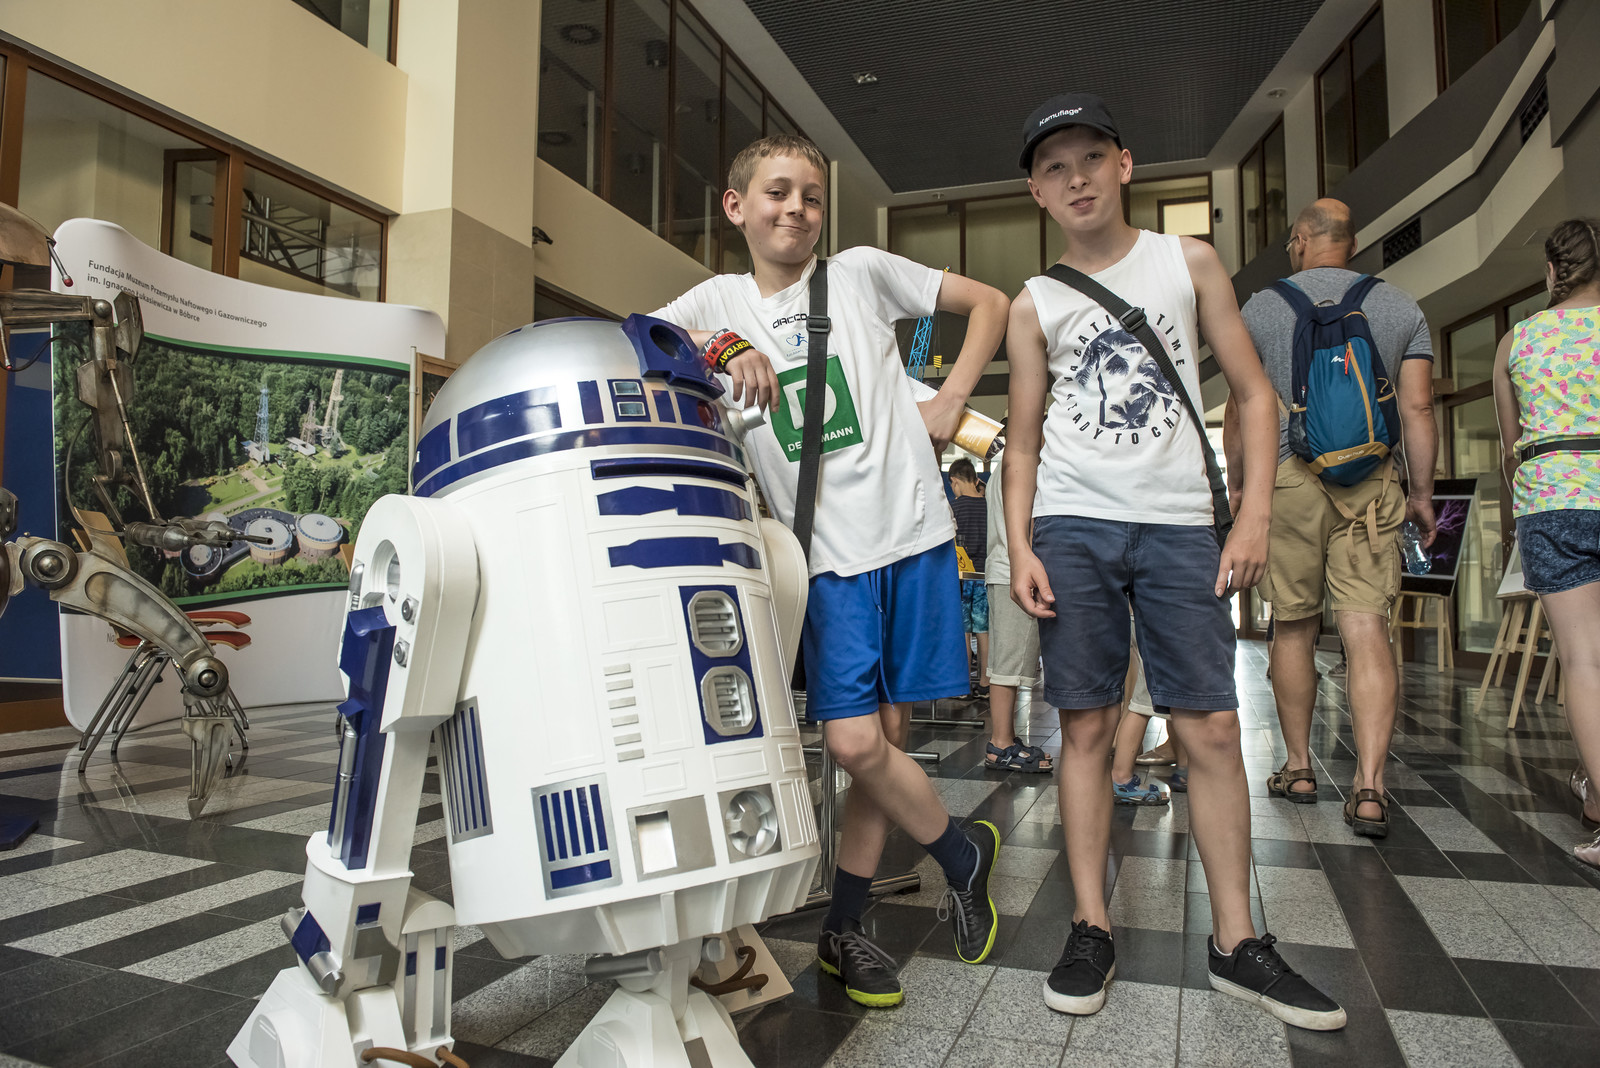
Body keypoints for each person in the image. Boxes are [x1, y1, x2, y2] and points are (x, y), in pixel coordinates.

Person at [1005, 93, 1345, 1030]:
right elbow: (1023, 442)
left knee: (1213, 730)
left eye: (1090, 157)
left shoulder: (1186, 261)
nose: (1076, 178)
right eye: (1054, 167)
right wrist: (1020, 545)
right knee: (1083, 729)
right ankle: (1090, 926)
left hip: (1179, 525)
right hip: (1072, 525)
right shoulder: (1035, 304)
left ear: (1124, 164)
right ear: (1037, 192)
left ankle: (1237, 942)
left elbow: (1255, 395)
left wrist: (1252, 515)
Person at [650, 133, 1011, 1007]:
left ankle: (844, 928)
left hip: (915, 536)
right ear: (737, 206)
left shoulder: (860, 273)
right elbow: (636, 340)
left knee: (883, 744)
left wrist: (953, 397)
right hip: (826, 561)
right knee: (853, 745)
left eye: (811, 196)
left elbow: (992, 303)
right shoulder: (716, 299)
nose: (797, 209)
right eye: (777, 192)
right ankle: (961, 853)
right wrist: (720, 347)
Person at [1235, 199, 1437, 837]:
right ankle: (1370, 788)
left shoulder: (1260, 308)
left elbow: (1242, 408)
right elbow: (1418, 409)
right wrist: (1421, 493)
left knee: (1293, 626)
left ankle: (1299, 768)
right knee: (1366, 628)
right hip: (1371, 485)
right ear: (1352, 242)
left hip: (1288, 479)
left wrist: (1240, 487)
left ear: (1300, 239)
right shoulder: (1400, 306)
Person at [1492, 217, 1600, 869]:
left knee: (1584, 661)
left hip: (1553, 500)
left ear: (1554, 271)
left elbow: (1510, 450)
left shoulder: (1518, 341)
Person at [983, 443, 1053, 772]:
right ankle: (1000, 744)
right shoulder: (1028, 468)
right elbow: (1032, 526)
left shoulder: (1003, 468)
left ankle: (1006, 738)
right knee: (1007, 666)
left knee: (1005, 661)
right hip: (1015, 573)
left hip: (1001, 569)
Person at [949, 457, 990, 697]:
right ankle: (985, 683)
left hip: (961, 576)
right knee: (983, 630)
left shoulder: (954, 508)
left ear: (954, 481)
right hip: (984, 574)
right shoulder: (988, 505)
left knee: (963, 630)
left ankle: (963, 685)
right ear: (975, 480)